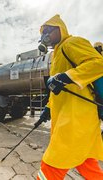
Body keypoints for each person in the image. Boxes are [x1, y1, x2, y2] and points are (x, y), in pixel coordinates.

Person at [37, 14, 103, 180]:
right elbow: (56, 89)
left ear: (59, 29)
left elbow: (98, 63)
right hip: (69, 117)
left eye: (48, 31)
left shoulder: (72, 43)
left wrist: (64, 77)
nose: (44, 36)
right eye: (42, 33)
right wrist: (48, 108)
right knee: (86, 162)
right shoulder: (55, 55)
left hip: (76, 117)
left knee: (52, 163)